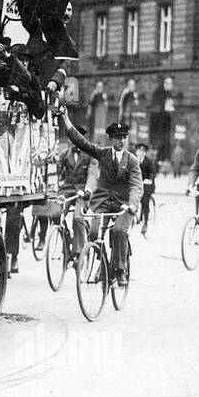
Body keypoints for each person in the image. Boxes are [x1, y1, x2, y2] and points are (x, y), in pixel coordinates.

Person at [59, 113, 141, 285]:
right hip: (102, 202)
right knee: (94, 233)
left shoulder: (132, 160)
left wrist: (132, 204)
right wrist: (66, 120)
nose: (122, 141)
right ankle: (103, 265)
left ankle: (119, 270)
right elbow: (82, 143)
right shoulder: (103, 154)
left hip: (124, 205)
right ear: (111, 139)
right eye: (118, 138)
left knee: (119, 231)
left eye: (124, 138)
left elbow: (136, 185)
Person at [134, 142, 156, 237]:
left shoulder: (149, 161)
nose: (141, 153)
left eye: (143, 151)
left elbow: (152, 172)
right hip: (135, 184)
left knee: (145, 203)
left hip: (146, 185)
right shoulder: (133, 160)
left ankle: (145, 224)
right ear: (136, 152)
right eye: (139, 151)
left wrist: (150, 179)